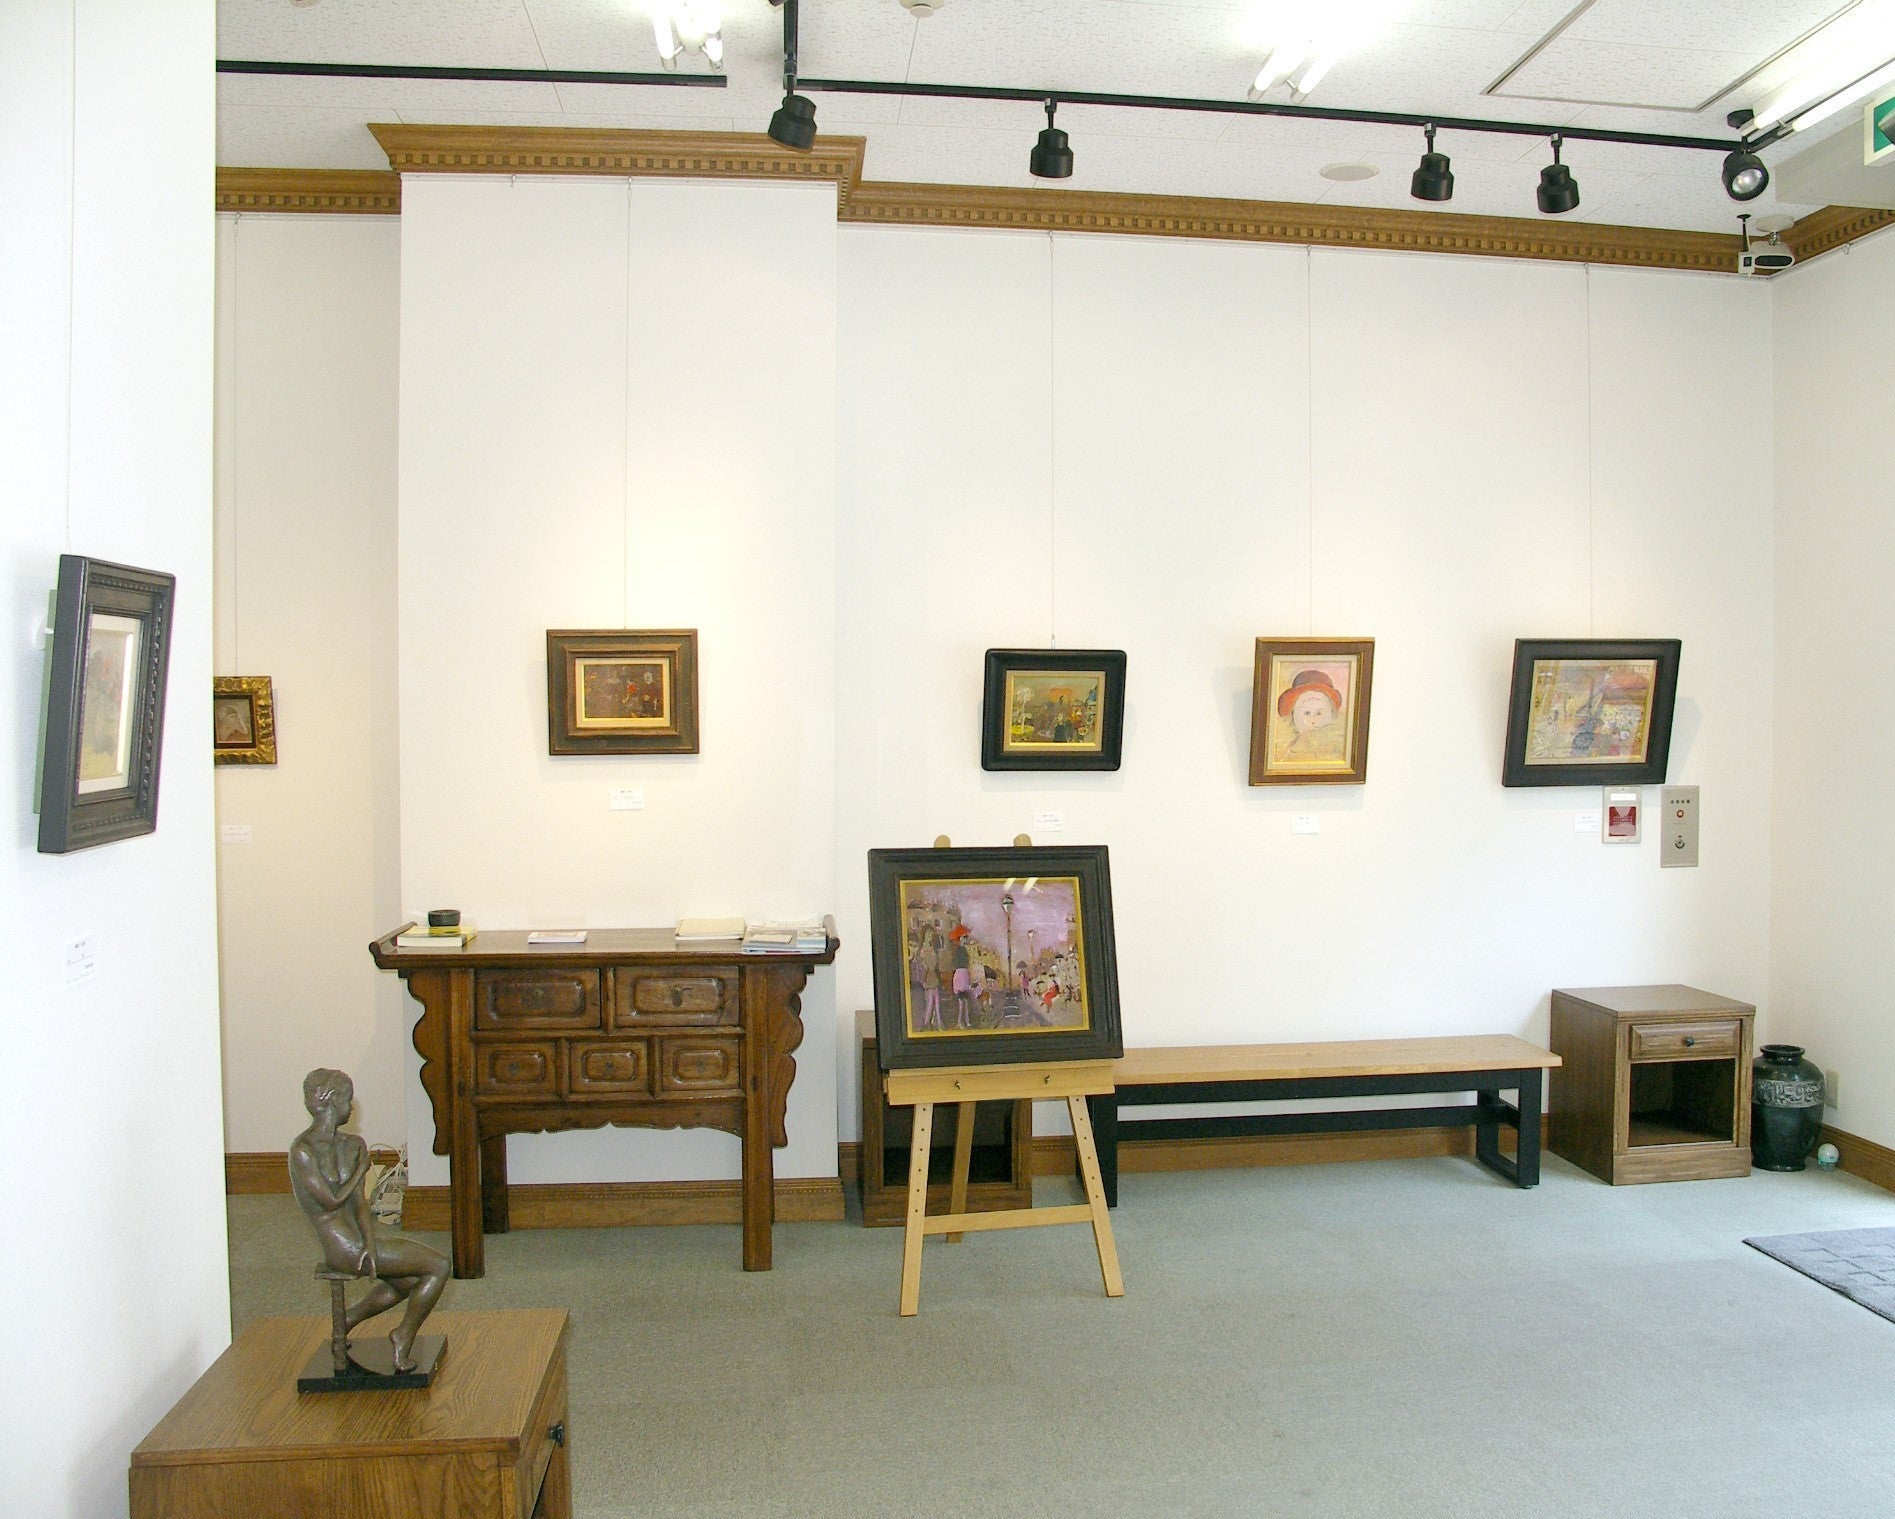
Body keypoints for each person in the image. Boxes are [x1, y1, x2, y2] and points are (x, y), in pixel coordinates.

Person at [289, 1068, 449, 1372]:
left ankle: (347, 1320)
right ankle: (403, 1335)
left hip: (359, 1241)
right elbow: (331, 1200)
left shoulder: (352, 1145)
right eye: (348, 1100)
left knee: (409, 1281)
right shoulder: (303, 1151)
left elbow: (359, 1202)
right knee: (439, 1266)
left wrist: (371, 1242)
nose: (352, 1107)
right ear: (332, 1100)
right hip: (341, 1248)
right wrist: (361, 1171)